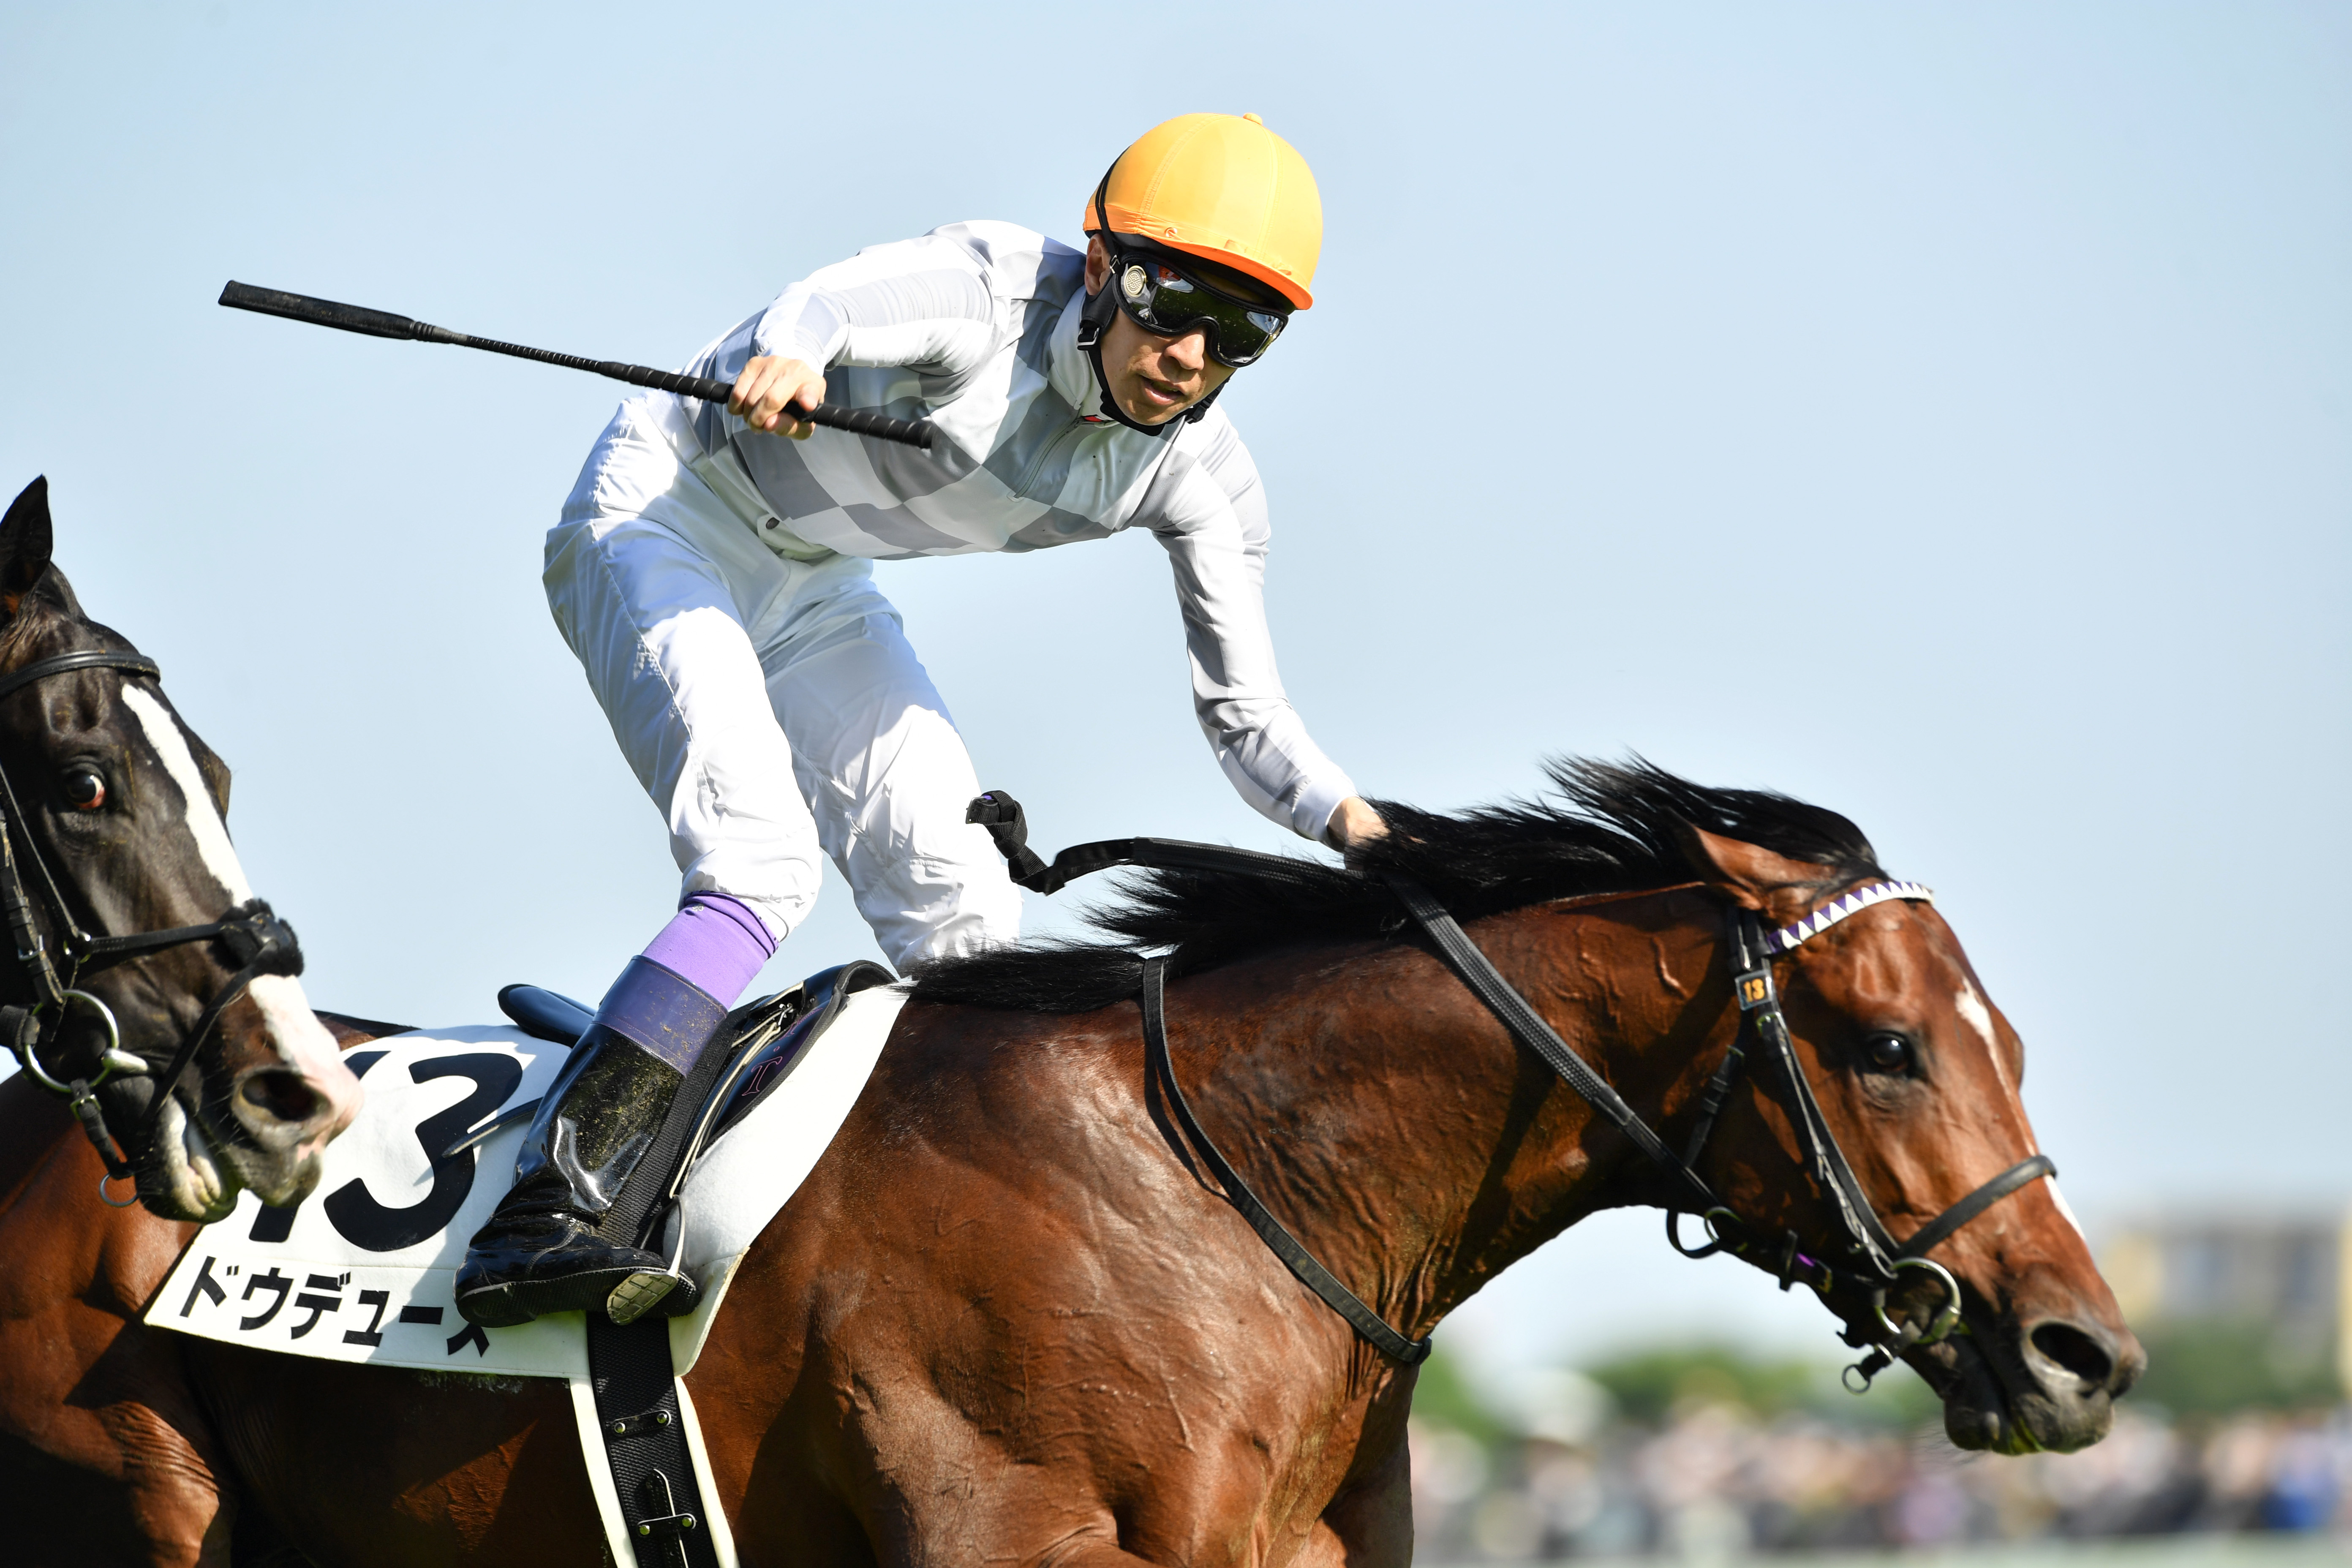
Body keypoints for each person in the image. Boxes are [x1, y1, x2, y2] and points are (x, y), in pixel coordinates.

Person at [455, 112, 1386, 1330]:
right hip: (669, 516)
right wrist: (785, 361)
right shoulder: (990, 291)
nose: (1191, 355)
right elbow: (822, 309)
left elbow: (1246, 717)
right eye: (1172, 303)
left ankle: (961, 1240)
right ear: (1103, 267)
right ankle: (545, 1213)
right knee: (761, 862)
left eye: (1242, 332)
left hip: (817, 584)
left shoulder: (1204, 479)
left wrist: (1373, 837)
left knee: (963, 903)